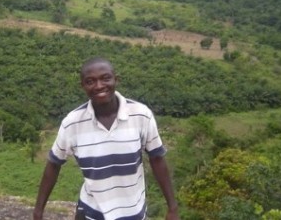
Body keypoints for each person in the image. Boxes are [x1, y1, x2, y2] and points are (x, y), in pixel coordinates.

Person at [33, 57, 179, 220]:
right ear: (83, 86)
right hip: (90, 213)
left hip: (133, 213)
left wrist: (172, 207)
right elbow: (53, 164)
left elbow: (157, 159)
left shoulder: (141, 115)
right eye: (90, 81)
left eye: (105, 78)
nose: (99, 86)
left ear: (116, 79)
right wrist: (38, 211)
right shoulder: (72, 123)